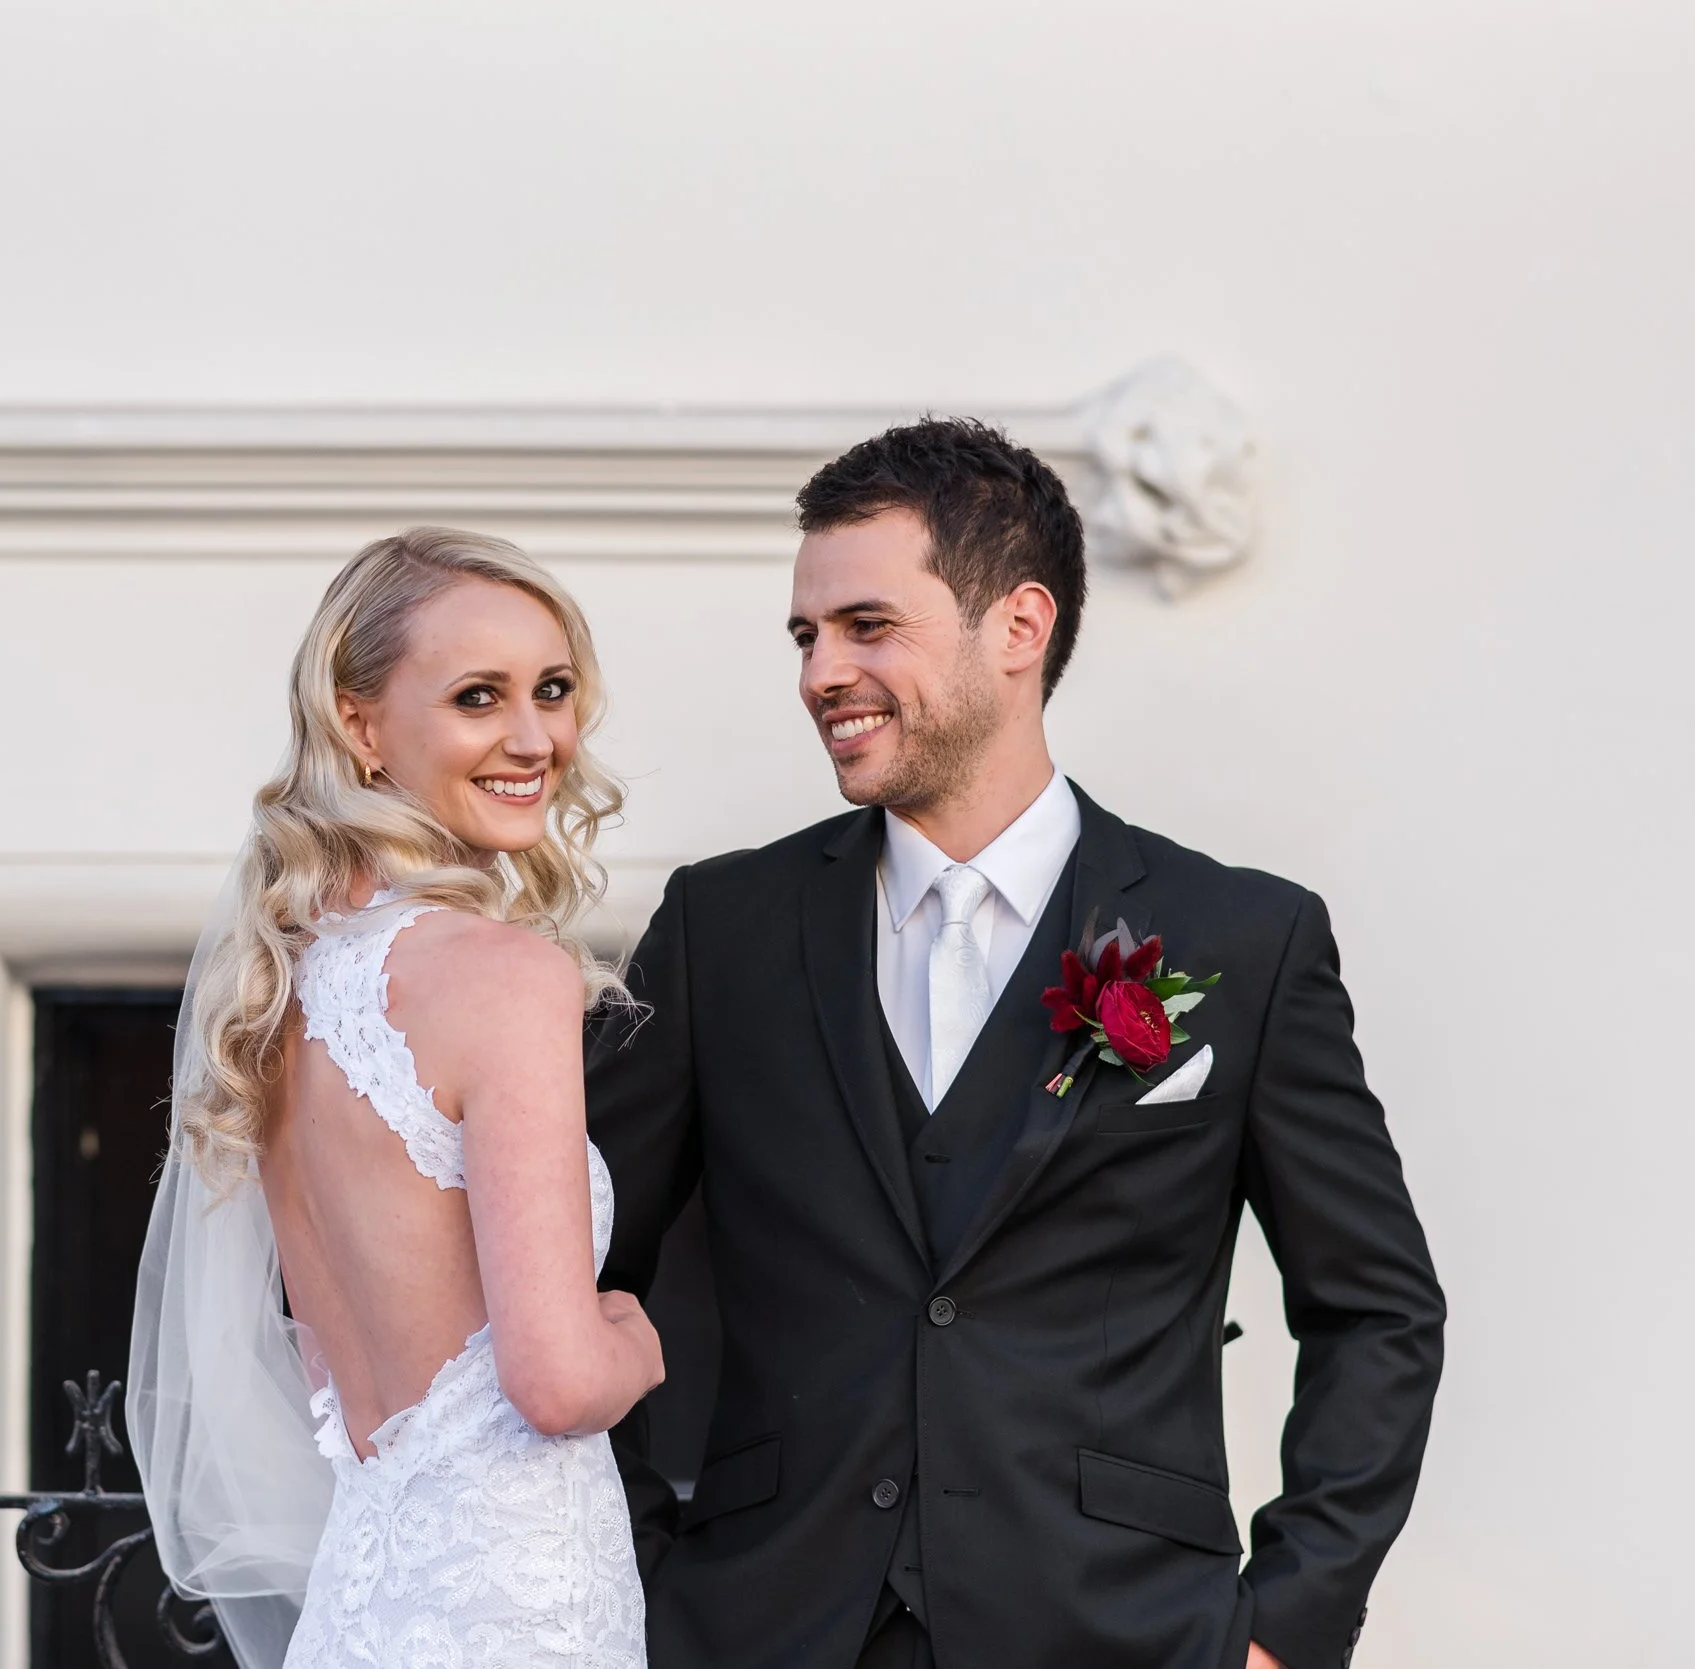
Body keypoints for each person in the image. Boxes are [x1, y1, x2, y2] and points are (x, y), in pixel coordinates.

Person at [588, 419, 1446, 1669]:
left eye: (866, 625)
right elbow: (566, 1260)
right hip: (772, 1627)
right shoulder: (723, 928)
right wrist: (647, 1577)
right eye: (805, 634)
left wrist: (1284, 1630)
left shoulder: (1242, 938)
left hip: (1126, 1630)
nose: (820, 670)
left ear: (1019, 629)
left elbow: (1377, 1309)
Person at [128, 527, 661, 1669]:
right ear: (358, 724)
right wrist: (634, 1339)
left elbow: (330, 1361)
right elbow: (558, 1382)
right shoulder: (503, 974)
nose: (536, 739)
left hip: (365, 1605)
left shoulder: (276, 987)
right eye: (480, 697)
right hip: (519, 1607)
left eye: (553, 690)